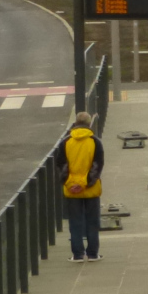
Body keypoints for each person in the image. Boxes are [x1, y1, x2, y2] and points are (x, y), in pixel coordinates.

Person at [56, 112, 104, 262]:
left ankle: (77, 254)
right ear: (90, 124)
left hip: (71, 189)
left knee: (75, 222)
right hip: (91, 188)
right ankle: (92, 253)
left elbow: (61, 164)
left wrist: (71, 183)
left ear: (75, 123)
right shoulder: (95, 142)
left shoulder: (66, 142)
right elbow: (97, 165)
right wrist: (86, 183)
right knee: (92, 221)